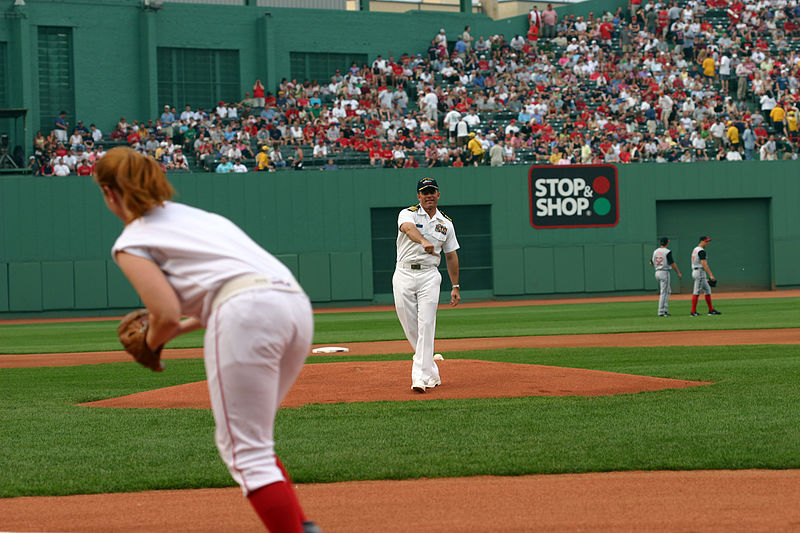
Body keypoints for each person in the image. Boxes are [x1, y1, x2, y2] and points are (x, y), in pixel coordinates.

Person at [92, 147, 322, 533]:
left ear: (110, 192)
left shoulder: (131, 241)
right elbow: (225, 293)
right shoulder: (199, 218)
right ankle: (303, 527)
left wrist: (150, 344)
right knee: (256, 441)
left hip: (244, 312)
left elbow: (163, 315)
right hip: (293, 305)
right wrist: (173, 331)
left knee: (245, 451)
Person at [393, 177, 460, 393]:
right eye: (425, 192)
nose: (429, 195)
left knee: (426, 324)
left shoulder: (446, 223)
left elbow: (451, 255)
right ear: (418, 196)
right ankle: (431, 368)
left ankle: (419, 377)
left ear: (438, 194)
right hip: (404, 272)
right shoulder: (408, 213)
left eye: (432, 191)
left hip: (430, 275)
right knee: (409, 324)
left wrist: (455, 285)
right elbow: (407, 228)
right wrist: (423, 240)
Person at [650, 237, 682, 316]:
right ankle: (661, 311)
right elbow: (672, 263)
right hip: (664, 272)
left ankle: (665, 310)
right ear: (667, 243)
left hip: (657, 272)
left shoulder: (655, 251)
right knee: (664, 292)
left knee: (668, 291)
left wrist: (658, 266)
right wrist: (678, 272)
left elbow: (651, 263)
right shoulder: (667, 252)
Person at [690, 236, 721, 316]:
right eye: (706, 241)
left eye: (708, 241)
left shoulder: (695, 249)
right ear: (701, 241)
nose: (707, 243)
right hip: (699, 272)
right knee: (696, 291)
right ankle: (693, 312)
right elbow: (704, 264)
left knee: (707, 289)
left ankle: (711, 310)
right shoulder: (701, 251)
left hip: (698, 271)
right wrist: (711, 275)